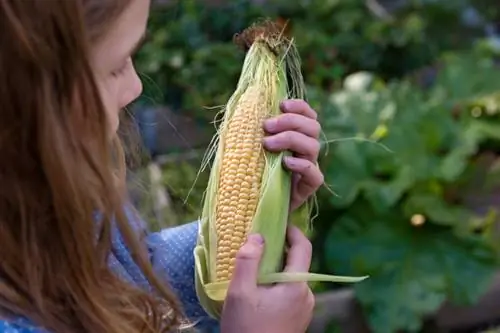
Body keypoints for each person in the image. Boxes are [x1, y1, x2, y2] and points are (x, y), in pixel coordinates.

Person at [0, 0, 325, 332]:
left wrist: (246, 225)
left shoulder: (64, 195)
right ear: (27, 98)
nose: (135, 87)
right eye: (114, 67)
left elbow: (131, 278)